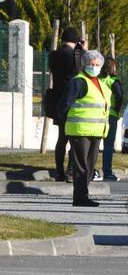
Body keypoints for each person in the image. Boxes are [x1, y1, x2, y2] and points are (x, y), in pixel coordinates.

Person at [57, 49, 110, 207]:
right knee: (81, 166)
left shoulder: (101, 83)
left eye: (97, 64)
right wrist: (65, 122)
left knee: (90, 165)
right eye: (91, 64)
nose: (94, 66)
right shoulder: (78, 81)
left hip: (96, 131)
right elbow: (64, 104)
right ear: (84, 64)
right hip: (80, 130)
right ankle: (80, 197)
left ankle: (83, 195)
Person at [48, 28, 84, 181]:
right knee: (74, 138)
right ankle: (70, 171)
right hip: (72, 100)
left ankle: (59, 171)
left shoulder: (53, 55)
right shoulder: (76, 55)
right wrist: (83, 51)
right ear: (76, 41)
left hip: (57, 100)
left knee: (61, 138)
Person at [96, 58, 124, 182]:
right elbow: (120, 96)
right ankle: (107, 172)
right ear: (113, 67)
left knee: (94, 145)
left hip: (96, 115)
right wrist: (117, 111)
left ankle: (91, 171)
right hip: (110, 115)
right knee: (108, 145)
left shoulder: (97, 80)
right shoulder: (113, 81)